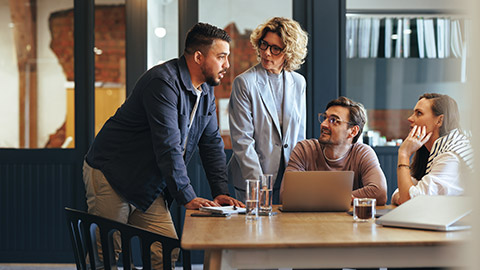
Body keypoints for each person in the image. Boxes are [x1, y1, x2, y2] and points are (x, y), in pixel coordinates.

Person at [83, 22, 244, 268]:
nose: (227, 65)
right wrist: (187, 197)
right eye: (221, 57)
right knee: (106, 253)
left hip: (148, 181)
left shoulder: (205, 91)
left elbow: (211, 143)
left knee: (165, 250)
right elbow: (168, 146)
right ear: (199, 57)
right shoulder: (162, 83)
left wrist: (219, 191)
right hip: (112, 173)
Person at [228, 17, 308, 203]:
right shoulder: (244, 83)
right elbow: (242, 141)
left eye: (275, 49)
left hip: (289, 177)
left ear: (289, 52)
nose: (266, 53)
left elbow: (299, 135)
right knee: (255, 231)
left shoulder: (298, 82)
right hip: (253, 177)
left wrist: (298, 177)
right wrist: (258, 185)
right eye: (264, 45)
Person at [280, 96, 387, 205]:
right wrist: (342, 198)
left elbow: (379, 193)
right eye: (325, 118)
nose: (323, 124)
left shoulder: (362, 153)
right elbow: (286, 195)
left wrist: (317, 198)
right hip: (311, 220)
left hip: (349, 221)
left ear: (353, 131)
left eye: (334, 120)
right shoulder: (304, 150)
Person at [391, 93, 473, 205]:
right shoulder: (433, 150)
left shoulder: (451, 156)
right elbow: (402, 192)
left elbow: (411, 202)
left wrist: (404, 154)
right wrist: (403, 196)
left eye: (418, 113)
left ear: (439, 121)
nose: (410, 119)